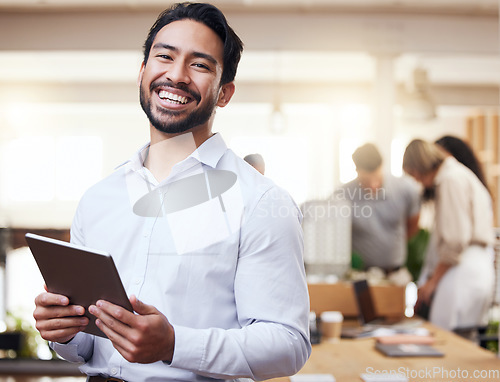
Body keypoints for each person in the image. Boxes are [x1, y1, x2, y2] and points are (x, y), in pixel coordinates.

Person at [33, 3, 311, 382]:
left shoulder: (261, 202)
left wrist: (174, 345)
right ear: (143, 72)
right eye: (164, 56)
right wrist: (64, 333)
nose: (176, 75)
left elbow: (288, 344)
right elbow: (85, 347)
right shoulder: (99, 199)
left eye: (199, 64)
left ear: (224, 92)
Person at [402, 139, 494, 331]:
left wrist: (432, 283)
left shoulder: (450, 180)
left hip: (461, 271)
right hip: (476, 269)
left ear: (419, 168)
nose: (416, 181)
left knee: (445, 342)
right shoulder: (460, 175)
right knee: (465, 343)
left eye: (413, 175)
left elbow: (455, 240)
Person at [334, 143, 420, 277]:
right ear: (357, 171)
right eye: (367, 181)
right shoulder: (343, 195)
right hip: (360, 274)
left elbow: (413, 224)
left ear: (382, 167)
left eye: (376, 179)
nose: (373, 185)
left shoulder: (405, 189)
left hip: (394, 274)